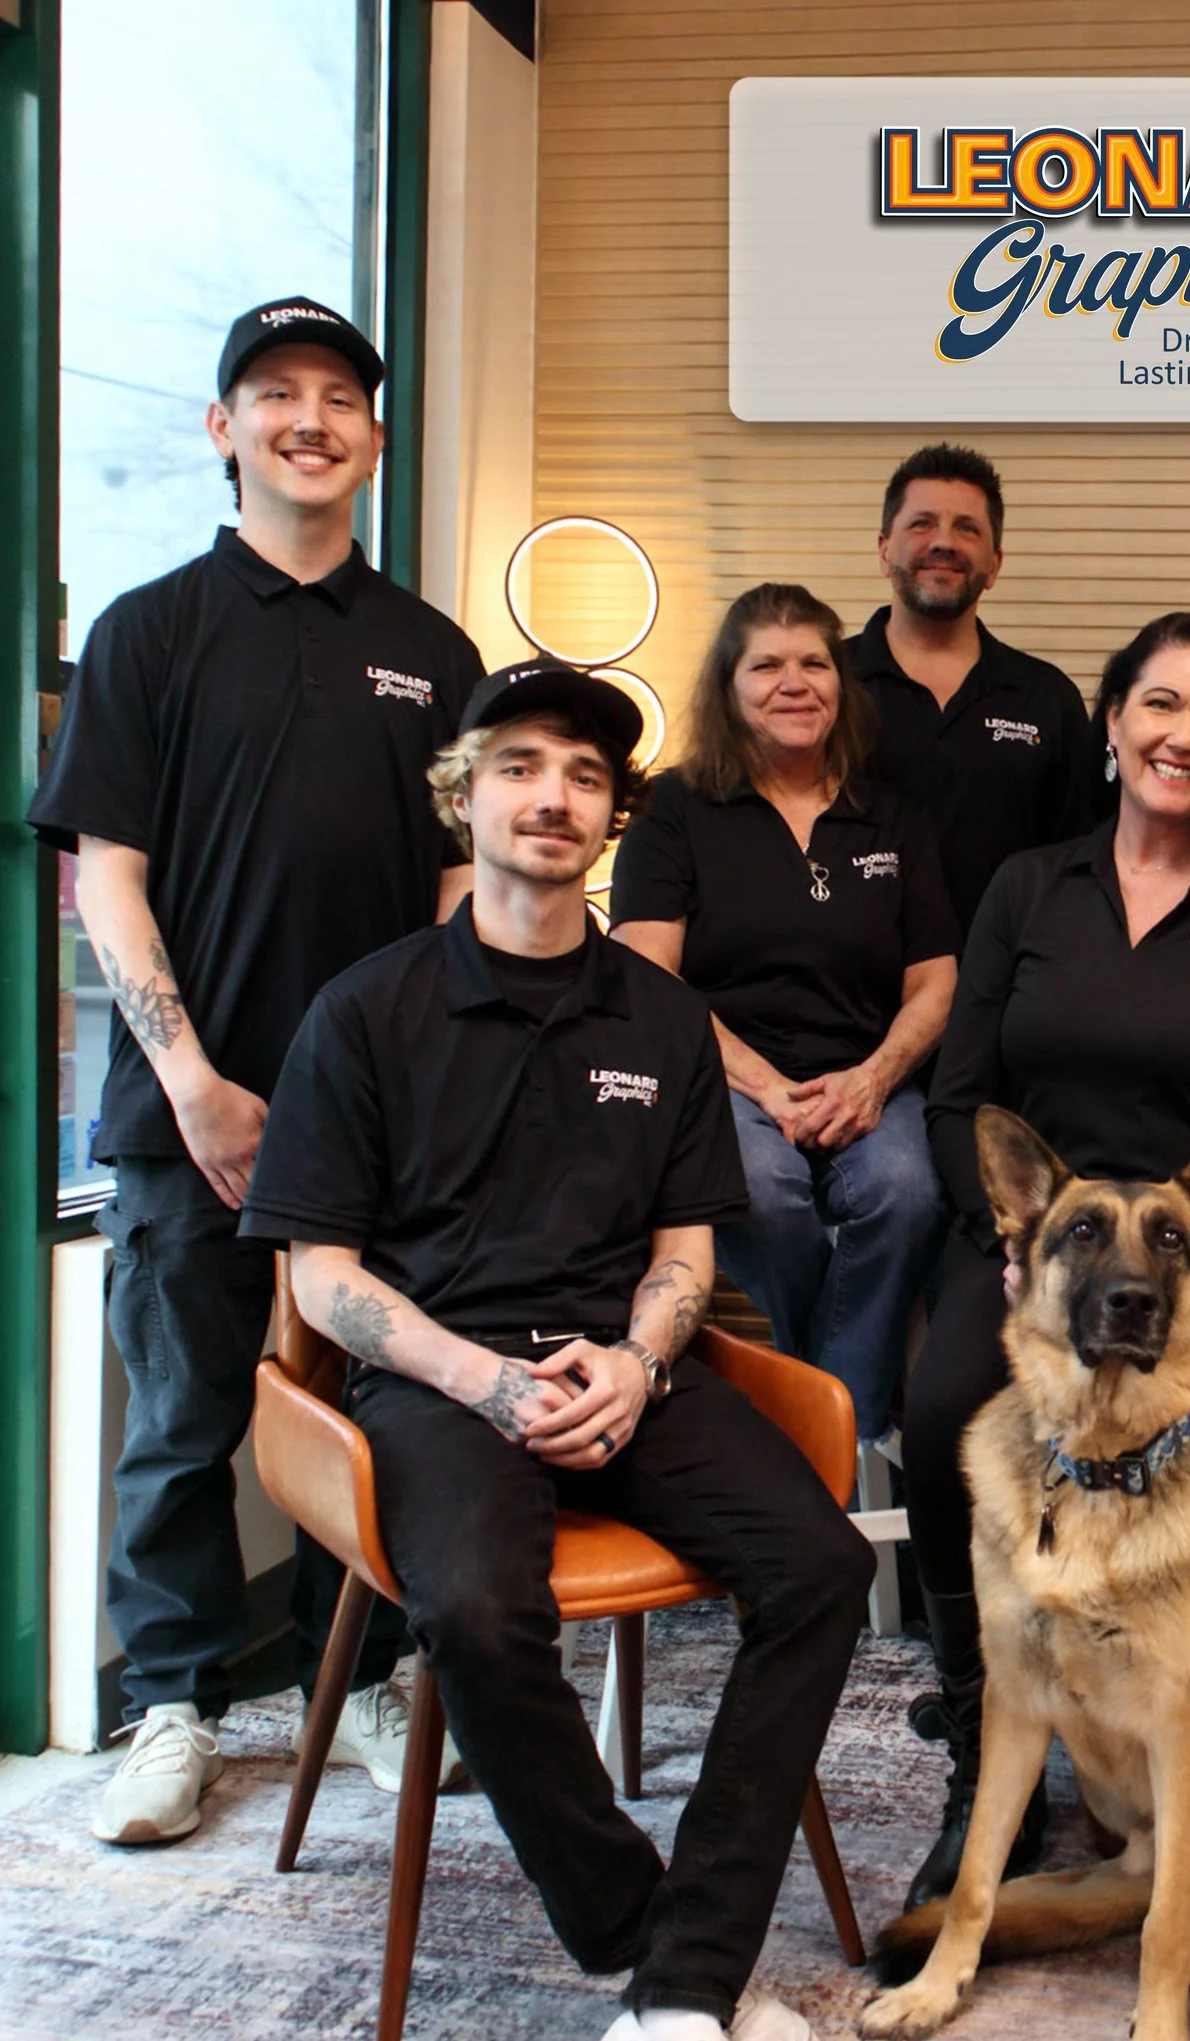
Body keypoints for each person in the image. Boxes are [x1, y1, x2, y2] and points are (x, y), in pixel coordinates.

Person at [239, 662, 873, 2041]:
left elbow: (687, 1253)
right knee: (473, 1612)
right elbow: (320, 1274)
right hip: (437, 1386)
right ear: (464, 795)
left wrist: (640, 1363)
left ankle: (681, 1988)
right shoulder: (366, 1009)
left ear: (612, 817)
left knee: (825, 1566)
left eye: (586, 776)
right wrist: (485, 1378)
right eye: (521, 765)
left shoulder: (659, 1019)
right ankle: (663, 1948)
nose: (554, 796)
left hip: (625, 1372)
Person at [28, 296, 483, 1845]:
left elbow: (451, 897)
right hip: (185, 1119)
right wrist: (201, 1082)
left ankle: (360, 1678)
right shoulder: (149, 631)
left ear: (370, 435)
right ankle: (173, 1705)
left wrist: (411, 1090)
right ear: (223, 429)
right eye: (274, 394)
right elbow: (107, 873)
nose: (311, 418)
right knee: (182, 1421)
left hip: (379, 1133)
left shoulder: (434, 653)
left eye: (339, 397)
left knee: (380, 1413)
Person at [899, 611, 1190, 1910]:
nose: (1183, 736)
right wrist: (1008, 1242)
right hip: (1043, 1253)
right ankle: (987, 1745)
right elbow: (955, 1096)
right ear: (1111, 724)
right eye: (1160, 705)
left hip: (1184, 1277)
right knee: (939, 1418)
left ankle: (1159, 1752)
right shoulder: (1030, 888)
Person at [610, 584, 956, 1442]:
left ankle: (813, 1420)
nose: (793, 682)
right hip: (721, 1076)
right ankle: (848, 1415)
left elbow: (938, 980)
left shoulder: (895, 815)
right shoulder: (674, 810)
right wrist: (767, 1088)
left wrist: (874, 1080)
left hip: (869, 1077)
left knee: (910, 1193)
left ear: (842, 683)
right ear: (728, 685)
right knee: (760, 1193)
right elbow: (648, 976)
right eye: (766, 664)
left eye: (814, 663)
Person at [849, 443, 1099, 932]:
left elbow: (1080, 865)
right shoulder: (825, 684)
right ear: (883, 549)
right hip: (844, 994)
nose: (943, 542)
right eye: (921, 524)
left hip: (1005, 993)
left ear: (995, 564)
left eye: (967, 528)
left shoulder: (1047, 699)